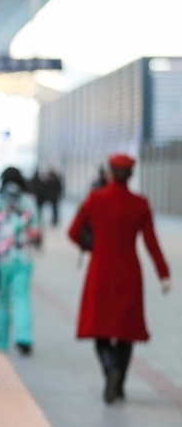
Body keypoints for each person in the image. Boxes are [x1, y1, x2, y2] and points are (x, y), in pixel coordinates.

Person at [68, 153, 171, 404]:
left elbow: (73, 232)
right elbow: (151, 242)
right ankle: (119, 380)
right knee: (125, 330)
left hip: (100, 270)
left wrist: (92, 246)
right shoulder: (140, 203)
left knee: (100, 327)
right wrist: (163, 274)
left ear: (110, 173)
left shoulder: (95, 199)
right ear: (132, 174)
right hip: (129, 272)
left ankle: (110, 372)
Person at [0, 167, 41, 356]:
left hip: (0, 259)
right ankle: (24, 337)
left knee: (2, 300)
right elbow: (35, 232)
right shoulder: (29, 203)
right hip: (23, 258)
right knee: (22, 298)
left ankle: (1, 341)